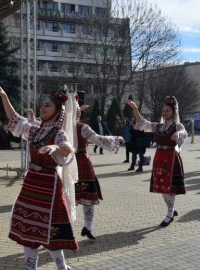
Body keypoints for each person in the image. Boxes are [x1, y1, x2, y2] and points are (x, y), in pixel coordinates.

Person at [0, 80, 78, 270]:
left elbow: (68, 148)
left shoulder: (58, 133)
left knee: (49, 235)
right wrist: (3, 96)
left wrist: (56, 147)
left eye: (48, 105)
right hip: (31, 183)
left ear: (58, 111)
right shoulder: (36, 130)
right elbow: (14, 119)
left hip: (48, 186)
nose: (43, 108)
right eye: (43, 105)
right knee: (28, 232)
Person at [126, 96, 187, 227]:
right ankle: (171, 208)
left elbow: (184, 131)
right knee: (161, 187)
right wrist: (135, 109)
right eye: (163, 111)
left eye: (168, 111)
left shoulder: (177, 126)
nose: (165, 113)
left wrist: (179, 134)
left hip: (171, 157)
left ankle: (170, 213)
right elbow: (142, 123)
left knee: (169, 188)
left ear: (173, 113)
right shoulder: (158, 126)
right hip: (160, 157)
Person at [74, 105, 124, 239]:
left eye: (79, 112)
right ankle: (87, 226)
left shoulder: (60, 127)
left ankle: (80, 228)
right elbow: (98, 139)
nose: (79, 114)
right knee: (86, 197)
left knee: (73, 197)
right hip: (80, 163)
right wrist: (115, 138)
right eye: (77, 111)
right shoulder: (81, 127)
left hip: (69, 163)